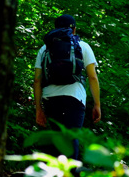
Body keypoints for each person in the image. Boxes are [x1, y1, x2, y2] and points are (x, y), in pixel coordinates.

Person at [34, 14, 101, 158]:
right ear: (74, 29)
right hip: (74, 98)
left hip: (50, 98)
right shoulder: (82, 46)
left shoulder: (44, 48)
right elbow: (93, 77)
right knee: (71, 138)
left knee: (56, 140)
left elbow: (37, 80)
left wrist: (38, 108)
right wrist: (97, 105)